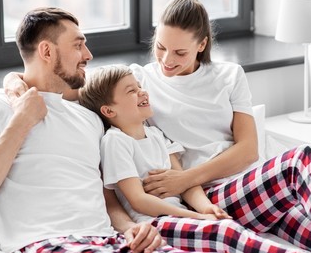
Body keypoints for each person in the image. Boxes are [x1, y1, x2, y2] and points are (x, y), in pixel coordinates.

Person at [3, 0, 311, 253]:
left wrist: (185, 178)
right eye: (160, 47)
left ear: (202, 44)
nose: (166, 59)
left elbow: (248, 150)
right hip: (204, 196)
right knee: (299, 158)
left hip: (241, 185)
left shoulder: (230, 75)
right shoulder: (140, 80)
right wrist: (12, 80)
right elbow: (72, 82)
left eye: (179, 52)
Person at [0, 7, 211, 253]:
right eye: (78, 45)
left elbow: (106, 198)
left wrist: (131, 228)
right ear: (46, 51)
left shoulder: (89, 118)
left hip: (110, 239)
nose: (88, 54)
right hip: (51, 242)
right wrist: (22, 120)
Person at [79, 64, 231, 223]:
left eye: (139, 86)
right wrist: (197, 216)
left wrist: (206, 207)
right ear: (109, 111)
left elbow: (184, 182)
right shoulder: (115, 141)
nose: (142, 91)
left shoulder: (156, 135)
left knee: (228, 228)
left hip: (182, 216)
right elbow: (138, 200)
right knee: (227, 231)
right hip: (154, 221)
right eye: (131, 91)